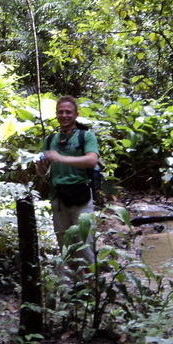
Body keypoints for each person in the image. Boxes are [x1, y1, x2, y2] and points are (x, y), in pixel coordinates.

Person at [36, 95, 100, 265]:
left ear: (76, 114)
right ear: (56, 114)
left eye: (68, 112)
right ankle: (73, 288)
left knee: (85, 246)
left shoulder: (85, 136)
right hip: (58, 199)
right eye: (61, 112)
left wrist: (61, 158)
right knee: (65, 247)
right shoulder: (50, 140)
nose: (64, 115)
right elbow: (43, 172)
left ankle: (90, 287)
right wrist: (40, 164)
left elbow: (92, 160)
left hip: (81, 198)